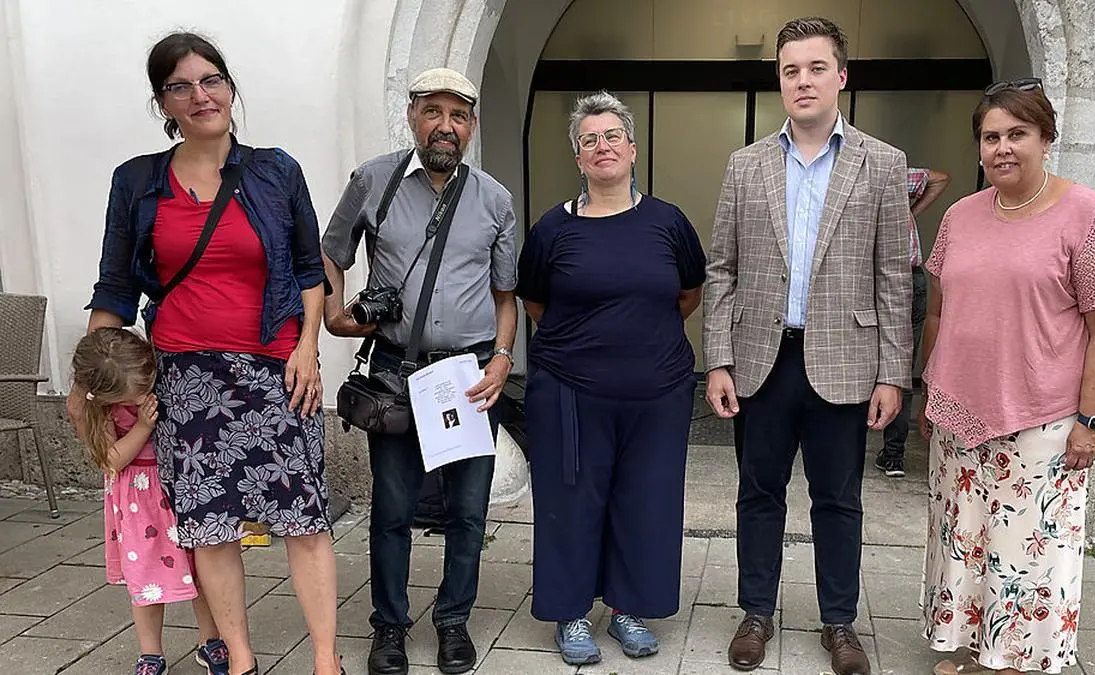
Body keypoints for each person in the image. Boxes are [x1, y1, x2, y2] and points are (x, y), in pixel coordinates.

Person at [78, 32, 342, 675]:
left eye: (212, 80)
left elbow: (311, 270)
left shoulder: (275, 170)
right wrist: (86, 380)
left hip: (276, 368)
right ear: (163, 102)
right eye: (181, 86)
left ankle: (326, 661)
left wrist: (308, 347)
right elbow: (114, 285)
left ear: (229, 87)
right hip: (183, 377)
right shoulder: (137, 181)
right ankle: (241, 657)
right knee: (209, 525)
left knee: (305, 519)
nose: (201, 96)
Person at [702, 17, 913, 675]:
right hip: (762, 361)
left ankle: (839, 622)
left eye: (816, 68)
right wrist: (717, 358)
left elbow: (891, 276)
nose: (803, 80)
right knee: (758, 491)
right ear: (780, 79)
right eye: (791, 69)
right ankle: (756, 611)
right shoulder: (746, 164)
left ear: (841, 77)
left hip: (845, 364)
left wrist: (893, 374)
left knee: (839, 497)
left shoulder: (883, 164)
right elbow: (722, 268)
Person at [918, 79, 1095, 675]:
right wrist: (929, 391)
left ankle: (1012, 662)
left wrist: (1091, 422)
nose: (1002, 148)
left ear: (1046, 137)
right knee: (964, 539)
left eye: (1017, 134)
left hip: (1042, 417)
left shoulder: (1088, 214)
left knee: (1028, 549)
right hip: (960, 413)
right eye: (991, 137)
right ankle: (972, 647)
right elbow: (938, 308)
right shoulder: (961, 215)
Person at [321, 67, 518, 675]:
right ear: (412, 116)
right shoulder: (373, 180)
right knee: (394, 510)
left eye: (458, 116)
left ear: (471, 127)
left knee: (468, 512)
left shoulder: (494, 198)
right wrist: (335, 316)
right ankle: (389, 627)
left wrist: (504, 360)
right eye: (433, 111)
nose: (445, 126)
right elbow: (329, 252)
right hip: (394, 375)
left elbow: (505, 294)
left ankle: (454, 622)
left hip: (468, 376)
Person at [515, 91, 706, 666]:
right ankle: (571, 612)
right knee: (570, 501)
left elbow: (688, 293)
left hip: (659, 392)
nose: (602, 147)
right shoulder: (553, 229)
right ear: (578, 158)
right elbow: (535, 301)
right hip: (571, 392)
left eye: (612, 136)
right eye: (589, 140)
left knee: (645, 501)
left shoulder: (668, 222)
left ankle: (628, 608)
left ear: (633, 149)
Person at [71, 327, 230, 675]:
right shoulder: (102, 412)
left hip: (177, 493)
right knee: (146, 580)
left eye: (146, 387)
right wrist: (142, 427)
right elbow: (112, 460)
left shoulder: (158, 381)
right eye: (134, 395)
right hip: (139, 503)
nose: (143, 397)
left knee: (200, 573)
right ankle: (151, 653)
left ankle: (211, 640)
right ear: (105, 396)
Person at [874, 167, 951, 478]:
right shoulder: (891, 175)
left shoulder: (881, 173)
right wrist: (910, 210)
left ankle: (877, 449)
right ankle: (893, 453)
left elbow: (939, 177)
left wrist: (912, 208)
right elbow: (939, 177)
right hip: (906, 277)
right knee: (900, 365)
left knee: (863, 363)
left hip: (881, 279)